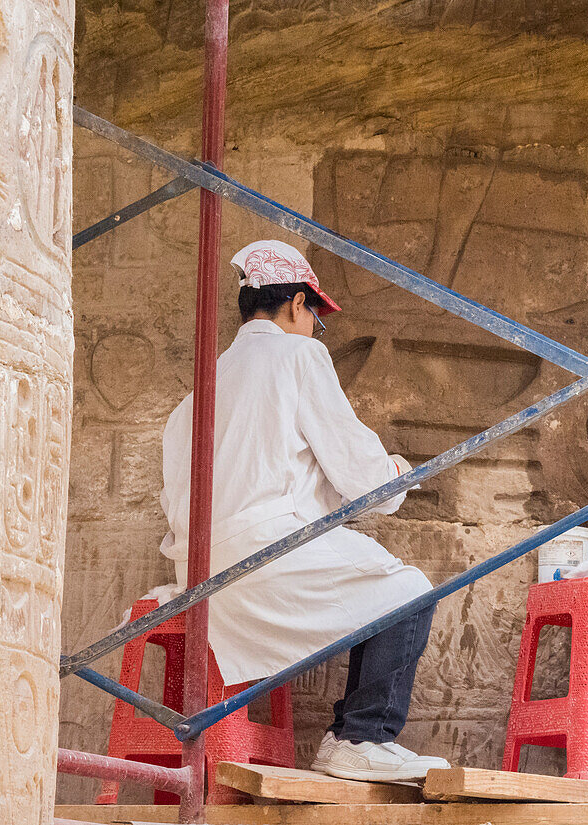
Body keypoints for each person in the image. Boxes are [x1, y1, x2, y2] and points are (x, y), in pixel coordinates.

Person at [159, 239, 450, 781]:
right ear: (298, 304)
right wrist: (396, 474)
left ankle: (358, 738)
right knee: (408, 589)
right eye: (316, 316)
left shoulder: (200, 388)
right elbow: (368, 483)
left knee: (378, 584)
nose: (317, 329)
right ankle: (361, 737)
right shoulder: (300, 356)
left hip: (199, 574)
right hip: (266, 556)